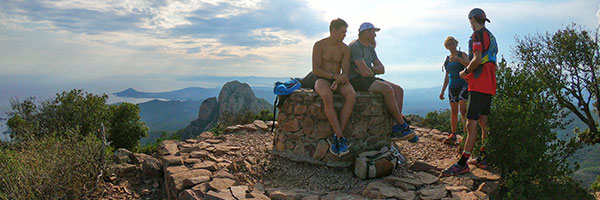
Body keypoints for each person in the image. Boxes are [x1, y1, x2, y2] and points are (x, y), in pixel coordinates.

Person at [442, 8, 498, 176]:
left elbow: (477, 59)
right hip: (489, 81)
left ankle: (462, 163)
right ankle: (483, 156)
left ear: (473, 19)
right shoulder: (491, 35)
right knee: (483, 121)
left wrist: (465, 72)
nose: (471, 25)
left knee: (470, 123)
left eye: (470, 21)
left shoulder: (477, 35)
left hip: (479, 81)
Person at [348, 22, 417, 142]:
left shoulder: (370, 48)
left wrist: (369, 70)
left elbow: (381, 69)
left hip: (366, 78)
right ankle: (402, 125)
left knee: (398, 90)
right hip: (355, 80)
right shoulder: (355, 46)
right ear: (366, 32)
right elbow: (364, 72)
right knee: (387, 89)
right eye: (373, 32)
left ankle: (395, 126)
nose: (375, 35)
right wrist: (371, 70)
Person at [312, 18, 356, 156]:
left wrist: (339, 80)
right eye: (342, 32)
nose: (345, 35)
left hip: (338, 80)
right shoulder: (319, 45)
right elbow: (316, 70)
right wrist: (333, 77)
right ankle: (340, 137)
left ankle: (338, 136)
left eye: (346, 32)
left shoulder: (345, 49)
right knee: (326, 95)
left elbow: (346, 73)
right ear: (333, 31)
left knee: (351, 94)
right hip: (322, 78)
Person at [439, 36, 469, 145]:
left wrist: (458, 59)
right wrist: (442, 91)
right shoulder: (447, 60)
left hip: (464, 84)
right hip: (452, 86)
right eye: (449, 44)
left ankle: (466, 135)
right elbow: (447, 76)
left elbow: (469, 65)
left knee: (463, 109)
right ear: (446, 47)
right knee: (454, 111)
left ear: (456, 44)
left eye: (453, 43)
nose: (451, 46)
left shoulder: (462, 55)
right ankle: (453, 134)